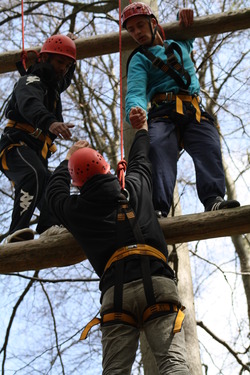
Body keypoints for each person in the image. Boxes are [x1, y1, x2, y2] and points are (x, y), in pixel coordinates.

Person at [46, 115, 190, 374]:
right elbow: (141, 161)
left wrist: (69, 158)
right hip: (158, 282)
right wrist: (142, 130)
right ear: (106, 167)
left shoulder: (76, 210)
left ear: (77, 183)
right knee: (173, 364)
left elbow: (54, 194)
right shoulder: (135, 187)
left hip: (116, 294)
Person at [122, 2, 240, 217]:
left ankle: (213, 199)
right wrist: (136, 110)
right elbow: (136, 91)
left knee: (209, 145)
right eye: (131, 30)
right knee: (157, 147)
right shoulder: (139, 59)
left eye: (140, 25)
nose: (137, 32)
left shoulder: (179, 45)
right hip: (163, 112)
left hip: (193, 109)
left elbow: (187, 29)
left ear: (153, 23)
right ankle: (158, 207)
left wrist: (182, 15)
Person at [0, 34, 76, 243]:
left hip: (35, 151)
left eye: (68, 65)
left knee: (52, 187)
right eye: (60, 62)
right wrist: (49, 122)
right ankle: (17, 232)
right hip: (15, 146)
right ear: (43, 59)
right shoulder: (30, 81)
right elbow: (29, 103)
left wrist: (69, 45)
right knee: (33, 174)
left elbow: (63, 78)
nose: (64, 69)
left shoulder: (52, 87)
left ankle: (51, 226)